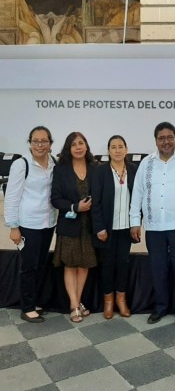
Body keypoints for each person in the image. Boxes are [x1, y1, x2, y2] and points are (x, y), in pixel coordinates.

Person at [130, 122, 175, 326]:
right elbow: (138, 193)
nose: (166, 142)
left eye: (170, 137)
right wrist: (135, 221)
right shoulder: (146, 163)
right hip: (154, 226)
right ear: (156, 141)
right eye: (162, 138)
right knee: (157, 269)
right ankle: (160, 307)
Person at [4, 126, 57, 323]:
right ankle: (26, 308)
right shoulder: (21, 164)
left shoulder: (53, 162)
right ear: (30, 143)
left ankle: (33, 302)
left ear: (50, 144)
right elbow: (11, 197)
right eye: (35, 141)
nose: (40, 145)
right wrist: (13, 226)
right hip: (28, 224)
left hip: (48, 222)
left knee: (40, 265)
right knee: (28, 266)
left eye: (44, 141)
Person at [51, 132, 97, 323]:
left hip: (89, 226)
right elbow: (55, 199)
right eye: (73, 144)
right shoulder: (61, 169)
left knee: (84, 265)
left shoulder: (95, 167)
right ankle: (74, 305)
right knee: (70, 265)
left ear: (86, 145)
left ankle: (77, 301)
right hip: (69, 225)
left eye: (81, 143)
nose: (78, 147)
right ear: (68, 149)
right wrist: (75, 207)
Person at [91, 135, 137, 319]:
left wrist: (136, 223)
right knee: (108, 265)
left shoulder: (133, 169)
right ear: (108, 151)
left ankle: (121, 300)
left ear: (126, 149)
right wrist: (99, 227)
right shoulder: (100, 171)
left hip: (126, 227)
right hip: (107, 229)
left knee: (123, 264)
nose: (117, 150)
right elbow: (95, 203)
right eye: (113, 147)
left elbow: (138, 198)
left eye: (120, 146)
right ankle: (108, 301)